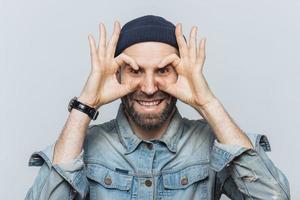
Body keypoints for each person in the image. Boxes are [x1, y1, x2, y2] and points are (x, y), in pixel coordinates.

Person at [25, 15, 290, 200]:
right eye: (135, 71)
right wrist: (86, 104)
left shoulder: (212, 144)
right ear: (116, 74)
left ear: (181, 74)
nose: (150, 87)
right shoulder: (83, 147)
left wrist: (207, 103)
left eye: (163, 70)